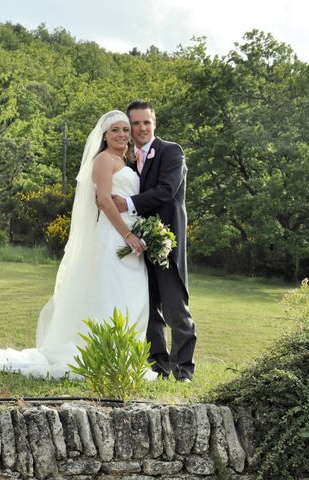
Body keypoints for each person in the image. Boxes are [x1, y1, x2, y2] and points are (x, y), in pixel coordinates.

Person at [0, 110, 149, 378]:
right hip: (114, 235)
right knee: (112, 292)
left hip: (131, 235)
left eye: (125, 130)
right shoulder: (104, 160)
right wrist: (127, 234)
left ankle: (120, 353)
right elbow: (103, 200)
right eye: (115, 130)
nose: (122, 134)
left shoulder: (125, 160)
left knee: (129, 294)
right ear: (104, 135)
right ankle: (102, 353)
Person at [112, 100, 197, 382]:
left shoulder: (171, 152)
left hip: (165, 241)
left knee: (175, 309)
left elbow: (166, 191)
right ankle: (159, 366)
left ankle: (184, 369)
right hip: (139, 245)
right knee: (148, 308)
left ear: (154, 123)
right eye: (135, 123)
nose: (141, 128)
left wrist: (128, 202)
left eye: (146, 122)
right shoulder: (127, 160)